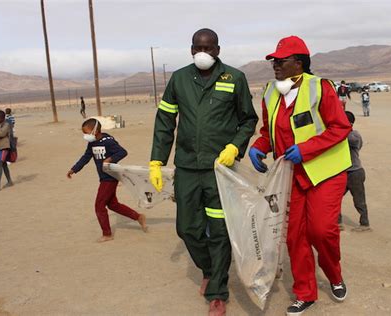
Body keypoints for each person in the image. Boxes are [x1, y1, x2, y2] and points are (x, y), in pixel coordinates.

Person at [149, 28, 258, 316]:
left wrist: (235, 147)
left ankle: (217, 293)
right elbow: (165, 120)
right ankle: (209, 269)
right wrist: (157, 160)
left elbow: (248, 120)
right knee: (187, 228)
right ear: (190, 49)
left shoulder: (234, 78)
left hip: (219, 170)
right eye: (198, 47)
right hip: (186, 167)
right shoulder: (179, 79)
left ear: (218, 50)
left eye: (209, 48)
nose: (203, 53)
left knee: (219, 230)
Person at [249, 36, 352, 315]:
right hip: (290, 175)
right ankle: (305, 292)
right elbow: (269, 132)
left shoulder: (321, 88)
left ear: (300, 63)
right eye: (273, 61)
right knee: (295, 236)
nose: (275, 66)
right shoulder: (271, 92)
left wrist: (306, 150)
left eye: (281, 61)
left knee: (321, 230)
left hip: (325, 172)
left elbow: (340, 128)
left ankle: (334, 275)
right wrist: (259, 148)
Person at [66, 118, 147, 242]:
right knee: (113, 204)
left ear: (96, 130)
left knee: (99, 206)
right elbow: (86, 157)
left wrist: (110, 159)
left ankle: (107, 234)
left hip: (110, 177)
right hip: (103, 177)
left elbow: (122, 152)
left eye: (87, 133)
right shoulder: (92, 143)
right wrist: (74, 169)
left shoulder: (108, 141)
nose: (85, 136)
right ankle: (138, 217)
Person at [338, 111, 371, 232]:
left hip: (355, 172)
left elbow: (352, 141)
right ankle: (338, 222)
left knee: (359, 200)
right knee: (335, 198)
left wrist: (342, 129)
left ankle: (365, 223)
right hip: (343, 173)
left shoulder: (354, 135)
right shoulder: (340, 134)